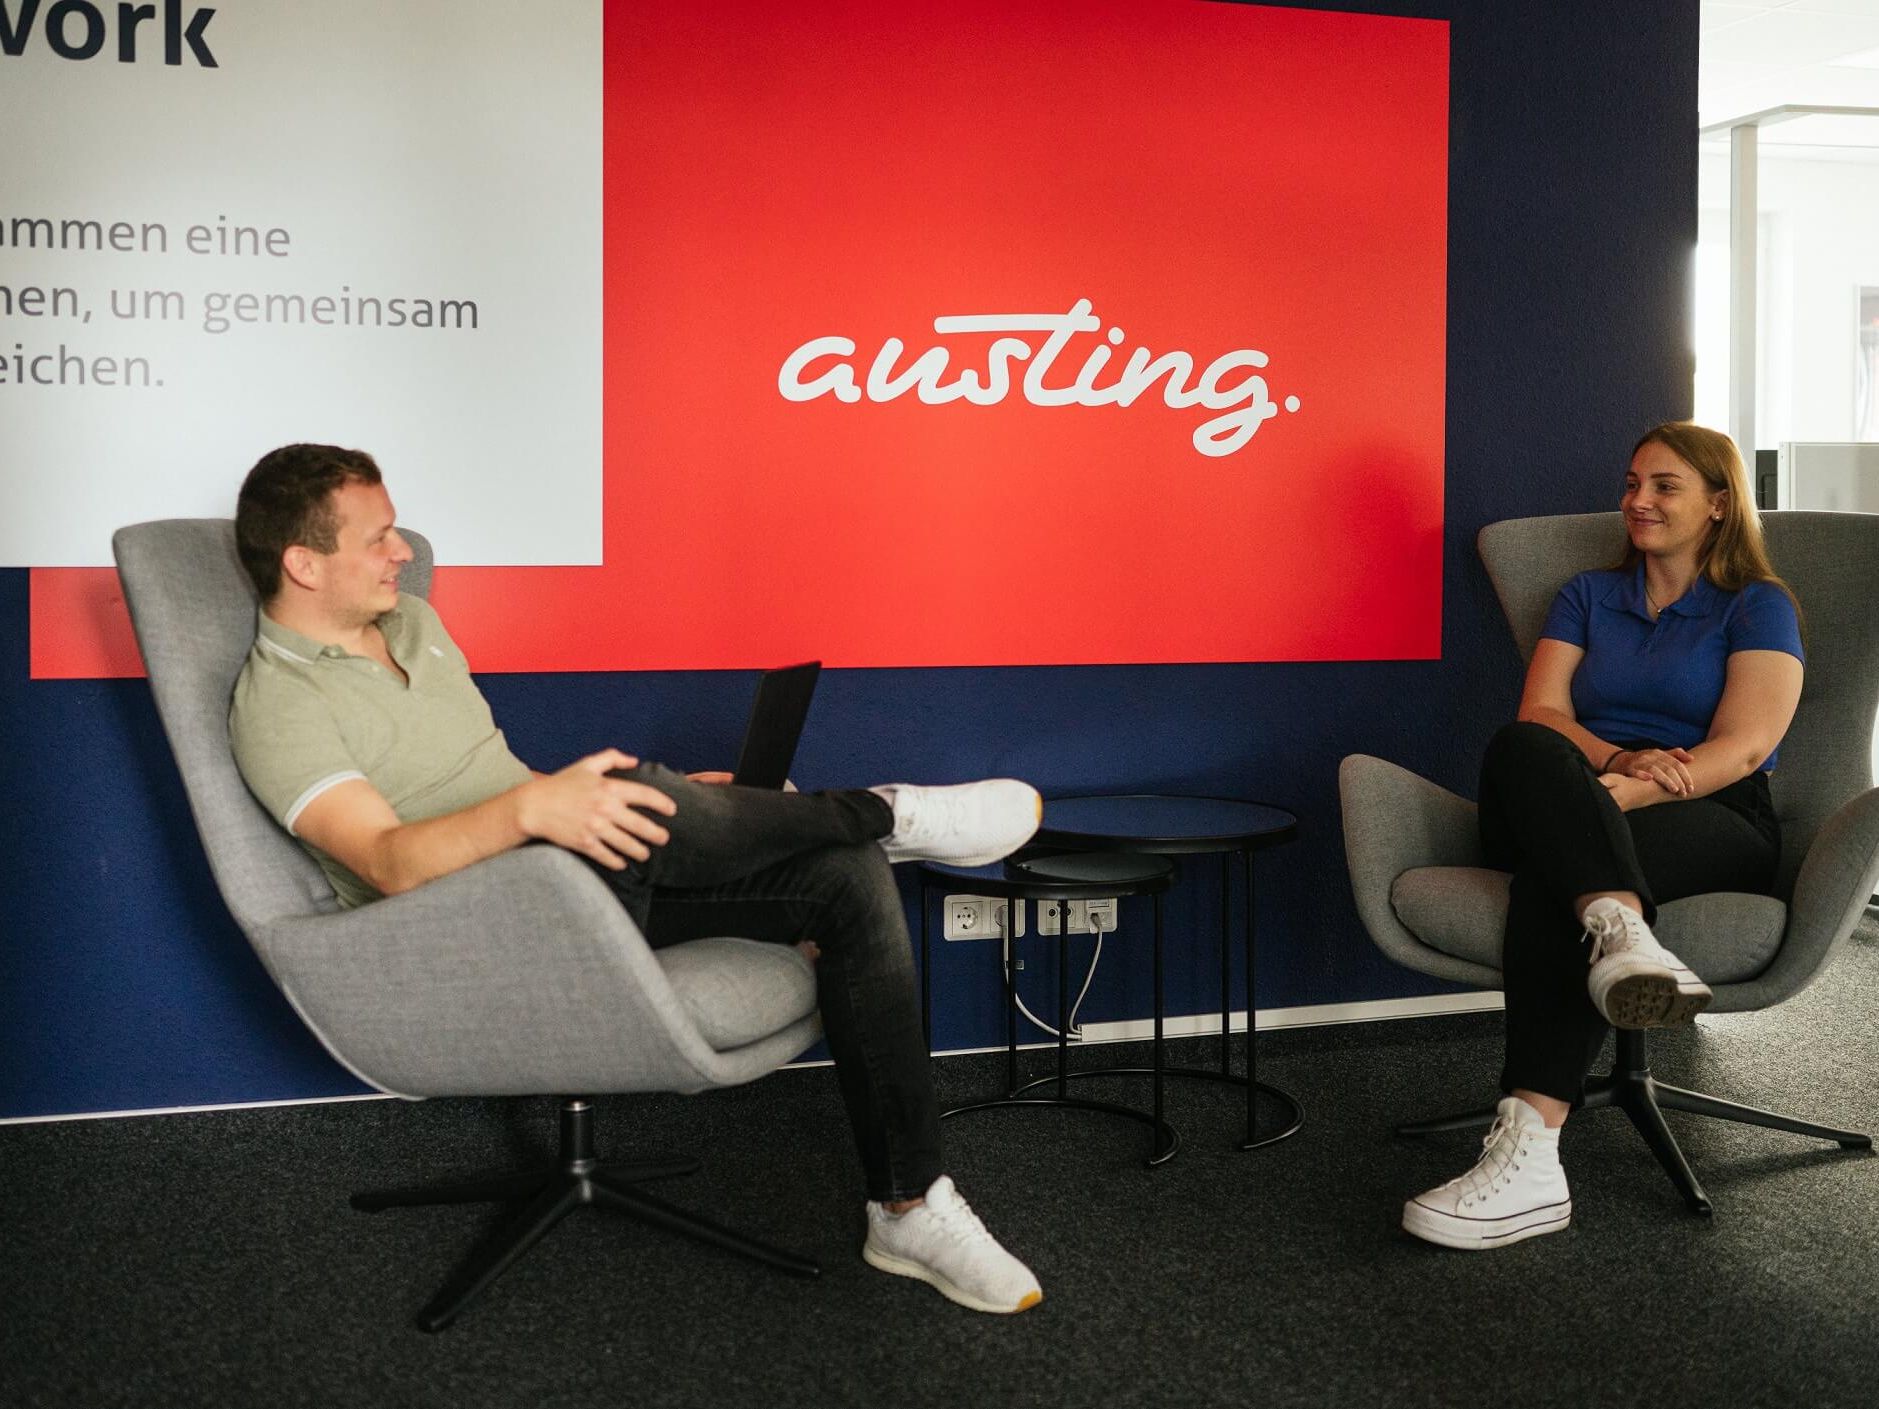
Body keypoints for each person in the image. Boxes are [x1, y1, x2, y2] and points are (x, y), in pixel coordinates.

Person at [227, 443, 1047, 1313]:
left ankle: (908, 1207)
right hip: (467, 927)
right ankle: (885, 813)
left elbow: (499, 784)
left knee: (834, 872)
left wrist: (683, 812)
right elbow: (388, 862)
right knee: (638, 789)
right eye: (378, 538)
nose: (404, 551)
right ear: (303, 564)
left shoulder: (413, 626)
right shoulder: (279, 706)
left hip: (568, 881)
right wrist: (545, 809)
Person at [1402, 422, 1805, 1251]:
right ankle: (1619, 925)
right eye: (1631, 483)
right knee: (1520, 744)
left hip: (1708, 811)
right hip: (1570, 791)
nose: (1637, 500)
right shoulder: (1587, 594)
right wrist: (1615, 764)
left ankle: (1529, 1153)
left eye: (1663, 486)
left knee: (1554, 883)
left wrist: (1635, 790)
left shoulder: (1755, 604)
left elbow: (1744, 745)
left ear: (1717, 504)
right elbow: (1544, 711)